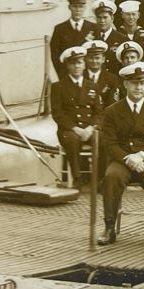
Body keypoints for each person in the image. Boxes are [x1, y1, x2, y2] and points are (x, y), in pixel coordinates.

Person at [98, 61, 144, 246]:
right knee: (111, 176)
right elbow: (109, 143)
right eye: (134, 83)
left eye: (142, 83)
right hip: (122, 159)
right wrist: (128, 158)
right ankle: (109, 227)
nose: (138, 87)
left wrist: (142, 156)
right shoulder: (112, 111)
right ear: (125, 84)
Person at [51, 46, 101, 187]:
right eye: (73, 63)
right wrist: (76, 129)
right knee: (72, 141)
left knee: (103, 139)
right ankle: (77, 179)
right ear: (67, 66)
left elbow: (99, 113)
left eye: (79, 62)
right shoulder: (58, 87)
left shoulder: (92, 86)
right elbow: (58, 114)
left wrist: (91, 128)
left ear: (84, 64)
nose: (76, 66)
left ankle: (100, 179)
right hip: (69, 130)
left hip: (89, 128)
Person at [50, 0, 97, 76]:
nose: (78, 9)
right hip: (67, 74)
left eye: (81, 6)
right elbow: (55, 55)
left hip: (88, 75)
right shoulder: (60, 29)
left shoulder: (93, 28)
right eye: (75, 6)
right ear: (69, 7)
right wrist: (62, 74)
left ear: (85, 7)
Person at [82, 39, 121, 108]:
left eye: (97, 58)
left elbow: (112, 104)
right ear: (86, 59)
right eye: (91, 58)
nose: (94, 61)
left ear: (103, 59)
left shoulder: (112, 78)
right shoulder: (80, 77)